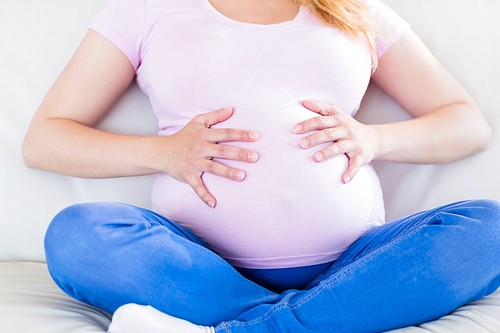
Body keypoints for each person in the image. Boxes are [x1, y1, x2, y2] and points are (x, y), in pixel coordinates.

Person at [22, 0, 500, 332]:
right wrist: (161, 153)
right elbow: (45, 139)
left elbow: (466, 124)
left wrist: (374, 138)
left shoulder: (356, 11)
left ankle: (246, 328)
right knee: (77, 237)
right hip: (195, 263)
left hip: (354, 264)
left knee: (491, 229)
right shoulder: (147, 9)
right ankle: (319, 320)